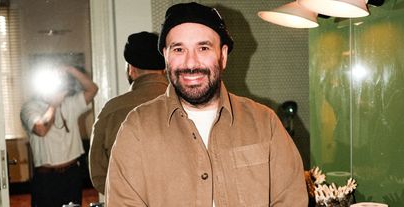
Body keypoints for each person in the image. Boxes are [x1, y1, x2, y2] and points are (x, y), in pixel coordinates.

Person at [106, 2, 308, 206]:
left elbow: (291, 199)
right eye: (179, 49)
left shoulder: (266, 123)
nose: (191, 63)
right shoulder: (136, 129)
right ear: (166, 57)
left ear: (223, 55)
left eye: (203, 48)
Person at [88, 31, 168, 195]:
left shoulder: (112, 110)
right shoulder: (189, 103)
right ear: (164, 67)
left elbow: (98, 173)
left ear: (131, 69)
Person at [20, 65, 98, 207]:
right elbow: (41, 130)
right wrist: (54, 104)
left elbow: (93, 89)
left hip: (72, 174)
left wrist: (70, 69)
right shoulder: (30, 108)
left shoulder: (69, 103)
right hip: (46, 178)